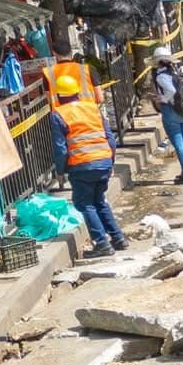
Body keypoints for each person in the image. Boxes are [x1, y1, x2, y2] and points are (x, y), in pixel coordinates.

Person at [49, 75, 127, 257]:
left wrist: (60, 172)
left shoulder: (58, 114)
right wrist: (111, 161)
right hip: (104, 160)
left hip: (82, 165)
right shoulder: (93, 108)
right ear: (77, 92)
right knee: (99, 200)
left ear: (58, 95)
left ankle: (102, 243)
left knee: (84, 203)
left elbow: (60, 148)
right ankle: (118, 238)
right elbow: (110, 138)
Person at [150, 47, 183, 186]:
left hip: (171, 111)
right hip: (182, 110)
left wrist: (162, 99)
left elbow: (171, 91)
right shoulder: (175, 71)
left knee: (178, 143)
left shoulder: (161, 76)